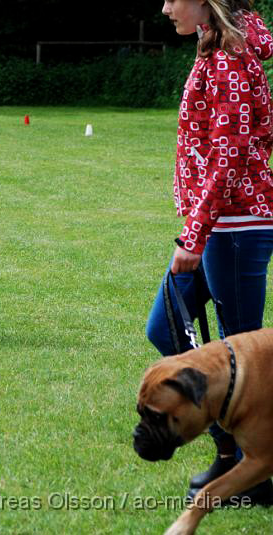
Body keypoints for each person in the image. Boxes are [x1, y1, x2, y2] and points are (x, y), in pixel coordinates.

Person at [147, 0, 273, 503]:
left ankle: (252, 469)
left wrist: (194, 236)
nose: (164, 8)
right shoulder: (217, 47)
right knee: (165, 327)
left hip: (236, 226)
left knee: (246, 357)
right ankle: (228, 446)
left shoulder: (228, 58)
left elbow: (227, 156)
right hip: (219, 223)